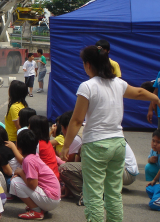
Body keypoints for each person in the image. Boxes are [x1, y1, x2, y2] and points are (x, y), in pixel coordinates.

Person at [60, 45, 160, 222]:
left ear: (88, 65)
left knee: (94, 194)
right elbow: (138, 92)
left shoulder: (87, 87)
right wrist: (155, 98)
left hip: (96, 145)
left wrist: (66, 145)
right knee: (113, 193)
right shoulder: (118, 83)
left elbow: (76, 121)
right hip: (118, 144)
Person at [9, 130, 60, 220]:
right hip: (53, 197)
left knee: (15, 182)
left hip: (50, 199)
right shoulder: (33, 156)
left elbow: (32, 185)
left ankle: (36, 211)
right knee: (18, 180)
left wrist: (21, 173)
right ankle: (39, 207)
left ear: (19, 146)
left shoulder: (28, 160)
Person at [28, 115, 60, 179]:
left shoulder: (37, 144)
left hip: (47, 179)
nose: (28, 128)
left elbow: (27, 161)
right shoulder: (46, 142)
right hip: (54, 176)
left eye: (29, 126)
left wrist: (13, 148)